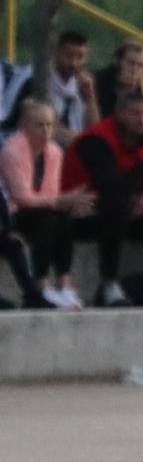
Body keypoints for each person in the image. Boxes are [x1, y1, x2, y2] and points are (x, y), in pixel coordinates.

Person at [61, 91, 143, 306]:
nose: (142, 120)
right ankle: (107, 283)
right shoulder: (96, 140)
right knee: (117, 207)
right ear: (120, 114)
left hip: (123, 209)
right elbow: (109, 189)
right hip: (82, 212)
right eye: (135, 113)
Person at [0, 97, 92, 308]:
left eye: (50, 125)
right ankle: (41, 283)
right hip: (14, 213)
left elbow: (50, 192)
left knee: (60, 216)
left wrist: (65, 202)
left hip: (34, 211)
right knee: (46, 216)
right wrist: (60, 200)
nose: (46, 131)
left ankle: (63, 282)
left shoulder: (54, 152)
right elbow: (20, 198)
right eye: (39, 125)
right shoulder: (11, 151)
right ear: (24, 127)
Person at [94, 42, 143, 120]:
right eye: (131, 62)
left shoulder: (137, 89)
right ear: (119, 61)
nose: (134, 69)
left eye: (140, 65)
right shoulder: (98, 81)